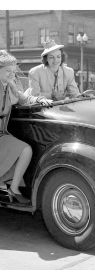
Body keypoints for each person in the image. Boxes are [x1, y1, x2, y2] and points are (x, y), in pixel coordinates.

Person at [0, 50, 52, 204]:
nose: (12, 74)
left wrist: (40, 100)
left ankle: (13, 189)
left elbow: (25, 99)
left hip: (2, 134)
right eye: (7, 71)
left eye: (13, 71)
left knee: (26, 150)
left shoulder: (9, 87)